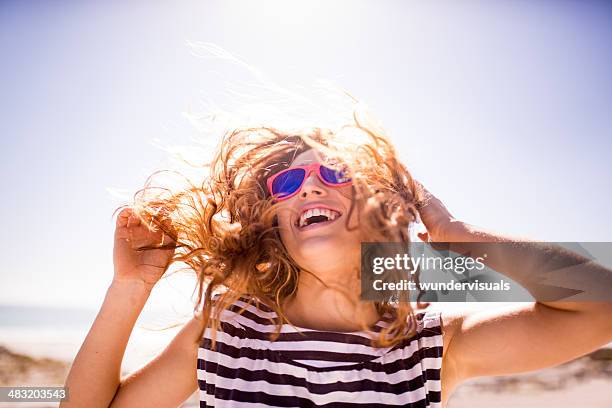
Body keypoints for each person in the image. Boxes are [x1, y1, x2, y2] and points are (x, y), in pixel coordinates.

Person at [61, 107, 612, 408]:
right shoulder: (227, 330)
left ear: (376, 211)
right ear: (273, 223)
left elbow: (601, 303)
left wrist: (456, 234)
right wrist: (129, 288)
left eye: (335, 174)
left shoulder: (431, 346)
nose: (308, 187)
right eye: (288, 180)